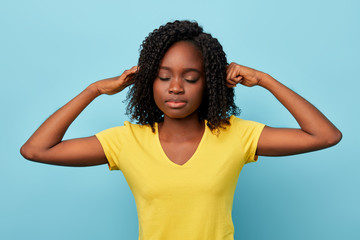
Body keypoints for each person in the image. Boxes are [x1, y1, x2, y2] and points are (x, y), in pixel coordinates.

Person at [20, 20, 342, 240]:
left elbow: (324, 136)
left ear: (209, 84)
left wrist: (266, 80)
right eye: (163, 77)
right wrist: (94, 89)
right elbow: (36, 150)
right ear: (149, 82)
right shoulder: (127, 141)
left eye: (190, 78)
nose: (176, 88)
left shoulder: (235, 135)